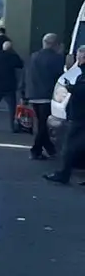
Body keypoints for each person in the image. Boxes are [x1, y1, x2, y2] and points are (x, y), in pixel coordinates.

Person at [44, 47, 85, 184]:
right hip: (78, 114)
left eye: (79, 58)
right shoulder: (80, 73)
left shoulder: (81, 74)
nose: (78, 61)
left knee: (69, 145)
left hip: (79, 115)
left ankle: (63, 174)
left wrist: (71, 88)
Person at [24, 33, 64, 160]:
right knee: (44, 125)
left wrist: (24, 93)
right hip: (47, 95)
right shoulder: (57, 58)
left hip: (34, 94)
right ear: (55, 44)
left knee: (42, 123)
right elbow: (60, 77)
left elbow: (26, 75)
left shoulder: (33, 56)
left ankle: (50, 149)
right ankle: (36, 150)